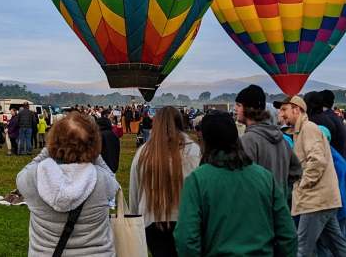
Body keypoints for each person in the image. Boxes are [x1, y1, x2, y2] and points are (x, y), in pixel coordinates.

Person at [174, 112, 295, 256]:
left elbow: (186, 238)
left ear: (205, 141)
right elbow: (288, 234)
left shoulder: (197, 181)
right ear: (237, 139)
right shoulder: (265, 178)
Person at [15, 111, 119, 256]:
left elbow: (21, 176)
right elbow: (113, 181)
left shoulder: (34, 177)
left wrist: (49, 149)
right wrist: (94, 153)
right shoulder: (102, 180)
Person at [275, 95, 346, 257]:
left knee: (302, 248)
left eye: (284, 109)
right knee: (338, 246)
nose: (281, 114)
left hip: (315, 200)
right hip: (324, 198)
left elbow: (317, 161)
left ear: (297, 110)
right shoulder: (300, 130)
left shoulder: (308, 128)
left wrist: (302, 185)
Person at [129, 107, 200, 256]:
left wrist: (135, 219)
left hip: (152, 221)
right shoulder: (194, 151)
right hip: (185, 220)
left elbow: (134, 192)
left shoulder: (143, 153)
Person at [236, 85, 301, 198]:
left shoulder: (248, 140)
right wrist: (282, 193)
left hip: (258, 208)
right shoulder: (282, 139)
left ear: (248, 108)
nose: (235, 108)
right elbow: (296, 171)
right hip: (278, 208)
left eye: (238, 105)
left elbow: (243, 180)